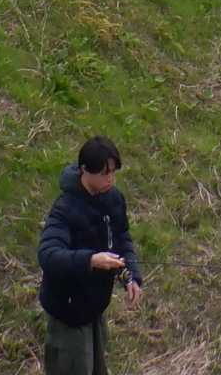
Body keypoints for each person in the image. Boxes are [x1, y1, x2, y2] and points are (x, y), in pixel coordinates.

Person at [38, 136, 143, 375]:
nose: (111, 179)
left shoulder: (113, 199)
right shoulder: (64, 209)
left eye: (113, 172)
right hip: (68, 314)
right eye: (105, 173)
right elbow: (48, 255)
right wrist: (91, 260)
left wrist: (131, 276)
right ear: (85, 170)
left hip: (95, 308)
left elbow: (121, 239)